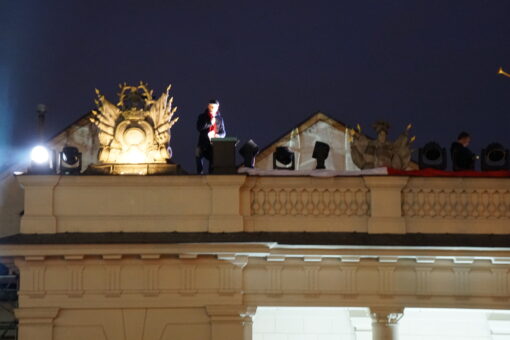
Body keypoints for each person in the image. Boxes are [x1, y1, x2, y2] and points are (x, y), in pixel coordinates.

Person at [196, 99, 226, 174]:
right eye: (211, 107)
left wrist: (218, 136)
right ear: (208, 106)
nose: (213, 108)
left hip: (214, 143)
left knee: (213, 158)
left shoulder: (220, 119)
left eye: (214, 107)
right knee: (198, 154)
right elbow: (199, 127)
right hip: (203, 142)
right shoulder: (202, 116)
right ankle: (200, 173)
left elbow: (223, 132)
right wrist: (210, 123)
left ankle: (211, 174)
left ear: (217, 107)